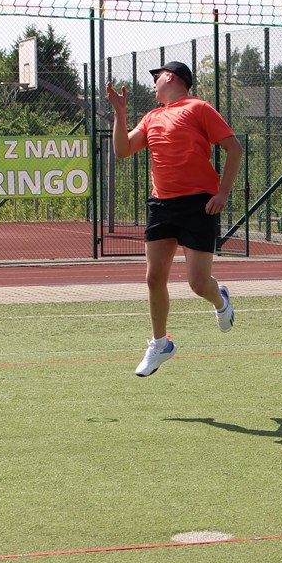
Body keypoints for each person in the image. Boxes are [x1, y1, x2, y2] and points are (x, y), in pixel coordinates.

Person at [105, 60, 242, 377]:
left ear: (169, 77)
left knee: (198, 284)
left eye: (156, 78)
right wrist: (120, 113)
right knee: (154, 278)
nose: (153, 84)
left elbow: (234, 149)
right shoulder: (152, 117)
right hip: (162, 205)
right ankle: (160, 344)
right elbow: (122, 150)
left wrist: (222, 193)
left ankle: (221, 301)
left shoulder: (199, 108)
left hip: (198, 205)